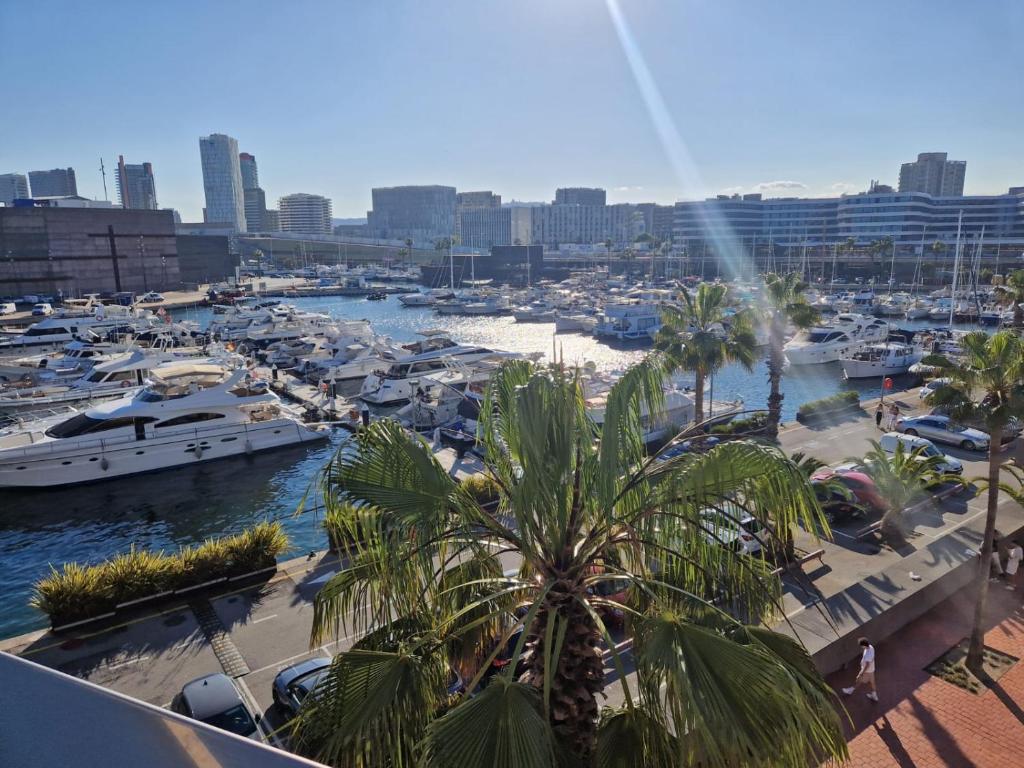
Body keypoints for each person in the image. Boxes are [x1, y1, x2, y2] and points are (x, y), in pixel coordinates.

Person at [843, 637, 878, 701]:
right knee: (872, 682)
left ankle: (850, 690)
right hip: (871, 670)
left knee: (859, 680)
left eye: (861, 646)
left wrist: (861, 673)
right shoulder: (870, 647)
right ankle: (874, 695)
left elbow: (867, 664)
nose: (861, 647)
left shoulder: (868, 654)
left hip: (867, 671)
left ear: (864, 645)